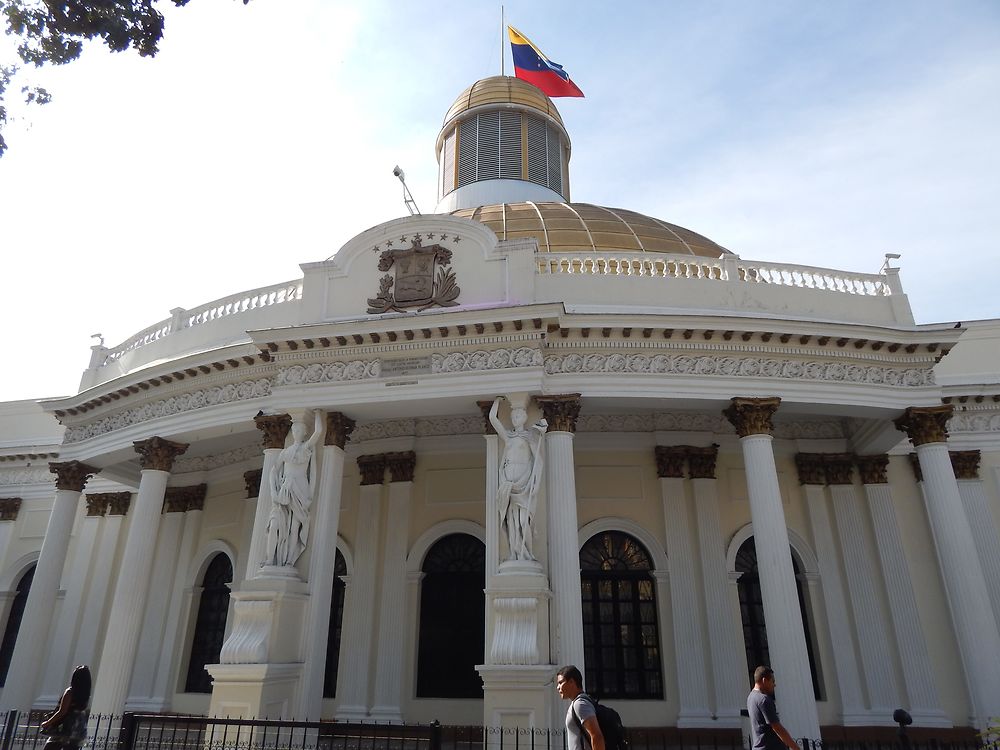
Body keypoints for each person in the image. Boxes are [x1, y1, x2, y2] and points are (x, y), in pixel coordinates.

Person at [489, 396, 547, 561]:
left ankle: (527, 555)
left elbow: (539, 462)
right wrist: (497, 402)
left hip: (524, 484)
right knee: (511, 523)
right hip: (509, 484)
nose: (515, 419)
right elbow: (493, 419)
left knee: (523, 522)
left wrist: (535, 483)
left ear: (525, 418)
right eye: (513, 416)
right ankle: (515, 554)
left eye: (518, 416)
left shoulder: (529, 437)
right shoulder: (508, 437)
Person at [264, 410, 324, 568]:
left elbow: (318, 432)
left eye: (300, 430)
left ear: (304, 433)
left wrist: (318, 413)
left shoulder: (306, 448)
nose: (296, 432)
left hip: (300, 489)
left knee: (294, 528)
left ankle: (289, 561)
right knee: (276, 525)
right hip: (285, 490)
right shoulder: (285, 452)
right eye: (294, 429)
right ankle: (272, 560)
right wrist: (273, 491)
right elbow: (273, 471)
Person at [40, 664, 90, 750]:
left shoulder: (70, 692)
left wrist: (47, 723)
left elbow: (62, 711)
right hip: (78, 729)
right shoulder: (85, 694)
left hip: (64, 729)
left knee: (50, 747)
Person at [747, 666, 799, 750]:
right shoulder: (764, 699)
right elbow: (777, 728)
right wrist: (796, 748)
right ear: (764, 680)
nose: (774, 685)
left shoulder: (751, 697)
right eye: (772, 681)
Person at [556, 665, 605, 750]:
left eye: (560, 683)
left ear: (571, 682)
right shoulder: (578, 703)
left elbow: (596, 736)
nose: (558, 687)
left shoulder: (580, 704)